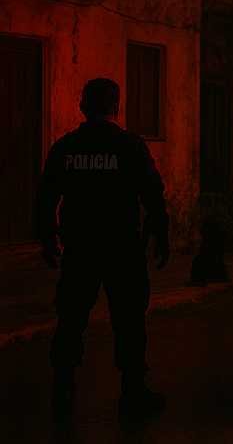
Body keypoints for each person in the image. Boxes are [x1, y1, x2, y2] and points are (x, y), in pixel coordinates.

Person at [37, 78, 170, 420]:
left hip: (80, 248)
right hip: (121, 248)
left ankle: (62, 390)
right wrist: (161, 235)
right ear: (116, 107)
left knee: (71, 319)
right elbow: (153, 195)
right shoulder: (129, 146)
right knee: (128, 321)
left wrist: (48, 238)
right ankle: (132, 391)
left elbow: (46, 196)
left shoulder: (66, 148)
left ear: (83, 106)